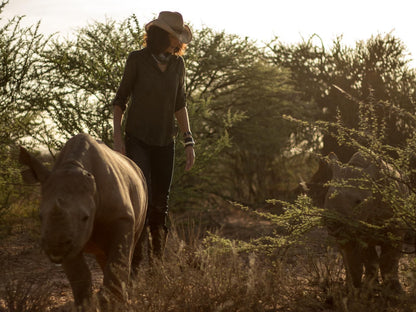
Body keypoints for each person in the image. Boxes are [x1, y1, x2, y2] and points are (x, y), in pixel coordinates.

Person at [112, 11, 195, 260]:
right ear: (162, 35)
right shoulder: (136, 59)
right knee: (141, 201)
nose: (179, 42)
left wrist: (188, 141)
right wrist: (118, 139)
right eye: (175, 36)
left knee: (161, 203)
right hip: (137, 139)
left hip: (165, 141)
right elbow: (120, 100)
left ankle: (156, 265)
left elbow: (179, 104)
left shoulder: (178, 64)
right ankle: (134, 264)